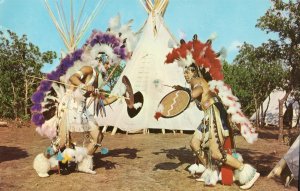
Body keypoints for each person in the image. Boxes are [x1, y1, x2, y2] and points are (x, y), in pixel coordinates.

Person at [166, 35, 260, 189]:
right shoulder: (196, 82)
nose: (185, 75)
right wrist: (182, 90)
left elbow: (197, 91)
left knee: (216, 153)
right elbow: (199, 93)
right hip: (208, 116)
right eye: (184, 73)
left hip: (214, 114)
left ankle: (246, 171)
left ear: (194, 72)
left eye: (188, 72)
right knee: (194, 143)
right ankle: (212, 171)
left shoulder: (197, 81)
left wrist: (186, 96)